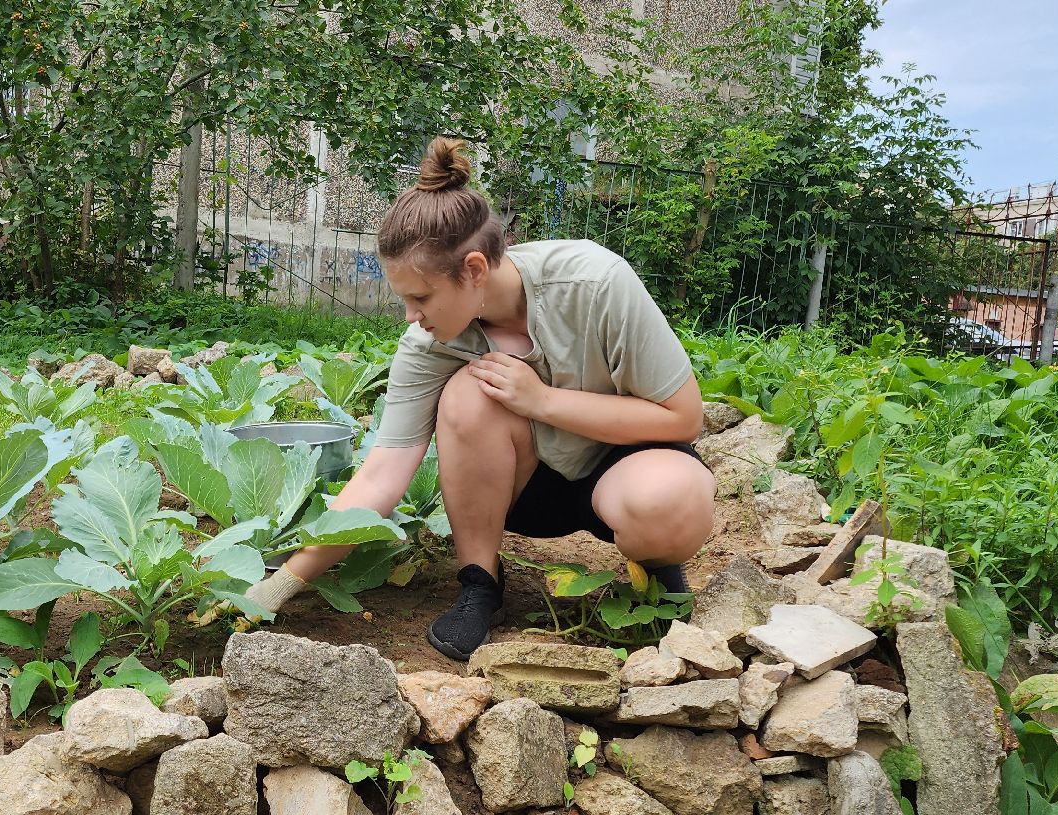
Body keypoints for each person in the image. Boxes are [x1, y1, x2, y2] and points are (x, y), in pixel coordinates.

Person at [243, 137, 716, 661]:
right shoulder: (428, 341)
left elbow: (683, 417)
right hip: (526, 491)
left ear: (472, 270)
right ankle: (480, 584)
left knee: (672, 500)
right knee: (471, 393)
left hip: (626, 462)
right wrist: (279, 587)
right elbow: (382, 474)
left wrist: (540, 400)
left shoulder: (595, 282)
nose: (410, 316)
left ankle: (654, 565)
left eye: (420, 298)